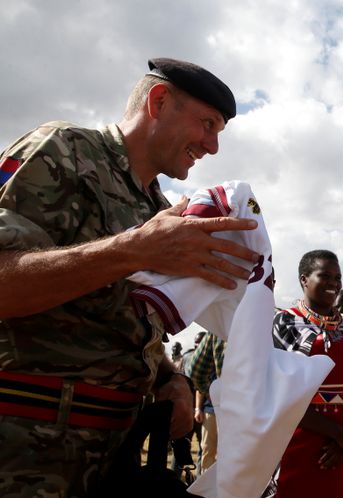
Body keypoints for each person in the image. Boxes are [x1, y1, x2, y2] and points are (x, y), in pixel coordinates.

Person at [0, 57, 259, 497]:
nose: (213, 146)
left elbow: (126, 323)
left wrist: (169, 378)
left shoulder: (159, 210)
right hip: (23, 452)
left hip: (112, 456)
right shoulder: (62, 150)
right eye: (207, 124)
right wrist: (134, 249)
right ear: (159, 102)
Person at [271, 250, 343, 498]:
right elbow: (280, 394)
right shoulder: (284, 323)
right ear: (304, 280)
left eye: (337, 277)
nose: (333, 283)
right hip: (299, 437)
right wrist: (339, 435)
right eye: (325, 275)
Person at [188, 331, 226, 473]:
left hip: (223, 406)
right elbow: (200, 387)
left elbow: (196, 373)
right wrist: (199, 408)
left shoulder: (220, 328)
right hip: (212, 409)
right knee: (208, 449)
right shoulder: (274, 321)